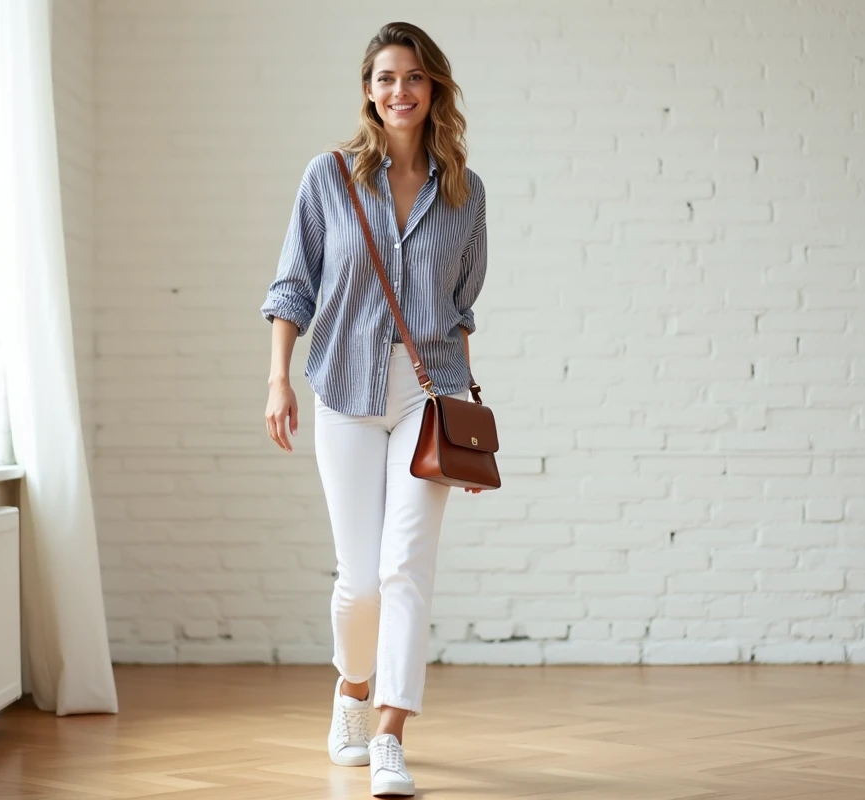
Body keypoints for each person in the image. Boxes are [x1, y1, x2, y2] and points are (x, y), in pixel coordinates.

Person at [260, 20, 488, 798]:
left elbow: (461, 308)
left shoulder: (463, 190)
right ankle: (352, 692)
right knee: (359, 582)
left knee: (405, 569)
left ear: (435, 91)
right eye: (387, 77)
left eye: (416, 78)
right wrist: (278, 379)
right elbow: (293, 285)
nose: (401, 91)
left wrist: (462, 417)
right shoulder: (327, 179)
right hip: (346, 391)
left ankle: (390, 735)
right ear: (368, 88)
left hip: (429, 394)